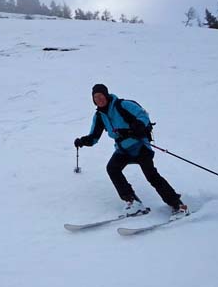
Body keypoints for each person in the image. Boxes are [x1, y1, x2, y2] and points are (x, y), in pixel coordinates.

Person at [74, 84, 189, 220]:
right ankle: (132, 201)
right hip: (123, 149)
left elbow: (143, 116)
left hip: (140, 146)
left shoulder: (122, 105)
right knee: (112, 169)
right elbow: (94, 137)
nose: (99, 99)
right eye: (95, 98)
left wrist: (138, 126)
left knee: (151, 175)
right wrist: (83, 141)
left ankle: (177, 204)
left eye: (101, 96)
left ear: (106, 95)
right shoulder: (100, 116)